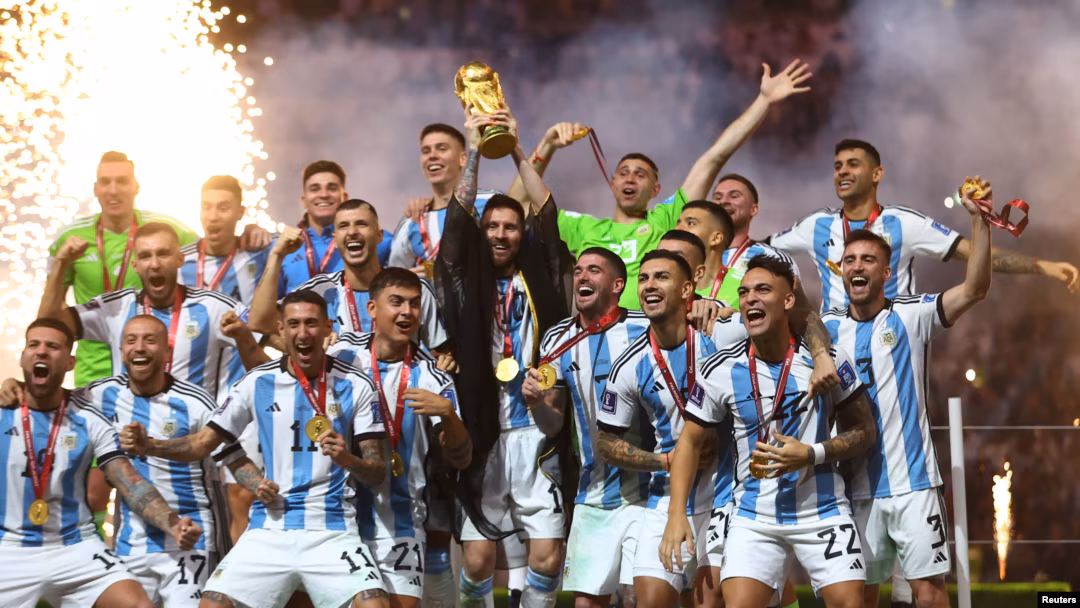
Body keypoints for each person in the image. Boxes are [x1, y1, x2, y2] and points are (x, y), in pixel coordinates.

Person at [120, 290, 391, 608]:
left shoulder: (356, 384)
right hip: (269, 527)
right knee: (212, 605)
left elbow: (377, 472)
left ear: (327, 327)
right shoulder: (256, 382)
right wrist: (150, 445)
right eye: (293, 324)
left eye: (311, 323)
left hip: (330, 528)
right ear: (281, 329)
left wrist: (347, 459)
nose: (303, 333)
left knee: (374, 606)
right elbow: (202, 444)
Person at [660, 255, 877, 608]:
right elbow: (689, 443)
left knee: (851, 604)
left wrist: (811, 454)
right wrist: (676, 514)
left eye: (763, 290)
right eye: (744, 292)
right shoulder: (719, 369)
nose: (750, 299)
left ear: (788, 300)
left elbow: (864, 431)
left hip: (821, 509)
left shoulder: (828, 359)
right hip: (754, 513)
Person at [819, 178, 995, 608]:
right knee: (857, 597)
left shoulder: (912, 314)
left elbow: (974, 290)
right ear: (841, 270)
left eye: (868, 260)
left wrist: (980, 223)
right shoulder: (826, 330)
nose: (857, 266)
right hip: (853, 488)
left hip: (913, 486)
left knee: (929, 593)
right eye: (850, 260)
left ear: (885, 272)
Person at [514, 60, 813, 308]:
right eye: (624, 172)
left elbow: (714, 158)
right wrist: (547, 146)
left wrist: (763, 101)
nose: (630, 178)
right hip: (594, 341)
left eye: (640, 174)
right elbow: (517, 207)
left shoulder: (666, 220)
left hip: (652, 338)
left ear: (656, 190)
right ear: (612, 184)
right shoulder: (583, 228)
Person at [437, 105, 570, 608]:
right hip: (483, 429)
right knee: (476, 562)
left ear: (521, 234)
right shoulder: (464, 279)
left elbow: (547, 214)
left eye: (510, 227)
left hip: (536, 427)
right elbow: (457, 222)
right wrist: (475, 149)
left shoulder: (539, 274)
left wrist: (514, 148)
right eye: (491, 226)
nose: (499, 234)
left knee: (547, 560)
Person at [0, 318, 202, 608]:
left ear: (70, 363)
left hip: (75, 547)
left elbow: (130, 482)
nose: (41, 351)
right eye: (34, 344)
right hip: (7, 548)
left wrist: (173, 524)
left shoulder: (89, 418)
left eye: (52, 346)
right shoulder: (3, 410)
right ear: (22, 357)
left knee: (139, 605)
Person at [767, 139, 1079, 312]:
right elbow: (754, 250)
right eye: (837, 166)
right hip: (836, 358)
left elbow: (975, 254)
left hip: (894, 346)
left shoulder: (904, 223)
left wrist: (1042, 266)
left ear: (877, 174)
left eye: (853, 164)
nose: (842, 172)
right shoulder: (816, 225)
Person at [79, 316, 258, 606]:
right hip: (131, 543)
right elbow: (52, 401)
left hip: (193, 538)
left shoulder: (195, 402)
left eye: (150, 340)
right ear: (121, 351)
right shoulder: (100, 394)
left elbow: (235, 459)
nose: (139, 347)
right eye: (131, 340)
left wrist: (261, 487)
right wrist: (13, 386)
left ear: (167, 352)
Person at [322, 268, 473, 608]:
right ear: (372, 308)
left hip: (401, 519)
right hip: (337, 515)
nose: (407, 312)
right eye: (397, 302)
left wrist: (448, 415)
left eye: (414, 304)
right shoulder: (340, 355)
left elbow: (462, 458)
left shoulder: (433, 376)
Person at [594, 249, 725, 608]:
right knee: (649, 601)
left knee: (710, 600)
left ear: (687, 289)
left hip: (723, 489)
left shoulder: (720, 337)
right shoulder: (629, 363)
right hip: (665, 494)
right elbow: (606, 442)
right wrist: (664, 461)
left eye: (661, 277)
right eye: (644, 278)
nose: (649, 285)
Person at [522, 247, 651, 608]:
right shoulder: (556, 338)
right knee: (586, 603)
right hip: (593, 490)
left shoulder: (646, 328)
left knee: (638, 597)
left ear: (617, 285)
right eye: (578, 270)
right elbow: (553, 425)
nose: (582, 276)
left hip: (651, 490)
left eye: (594, 270)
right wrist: (536, 404)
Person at [38, 222, 264, 403]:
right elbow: (47, 327)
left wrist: (244, 339)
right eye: (145, 256)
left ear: (180, 259)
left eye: (163, 254)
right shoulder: (115, 308)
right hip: (127, 439)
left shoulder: (214, 307)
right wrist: (61, 264)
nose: (154, 264)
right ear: (135, 265)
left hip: (192, 441)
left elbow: (267, 362)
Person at [249, 200, 449, 352]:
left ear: (379, 236)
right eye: (344, 226)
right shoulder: (317, 292)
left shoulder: (414, 290)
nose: (352, 232)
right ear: (335, 240)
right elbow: (259, 322)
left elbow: (442, 353)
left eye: (361, 224)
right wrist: (276, 256)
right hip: (336, 395)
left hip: (400, 393)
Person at [391, 123, 498, 274]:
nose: (432, 156)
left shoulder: (492, 203)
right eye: (426, 151)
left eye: (442, 149)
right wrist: (409, 279)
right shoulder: (411, 222)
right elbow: (393, 277)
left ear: (463, 159)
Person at [677, 198, 802, 310]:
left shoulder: (746, 288)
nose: (677, 229)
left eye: (691, 223)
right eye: (678, 223)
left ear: (716, 238)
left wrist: (732, 318)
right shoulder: (671, 283)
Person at [180, 175, 275, 306]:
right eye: (206, 207)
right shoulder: (178, 262)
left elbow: (294, 240)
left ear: (240, 212)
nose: (213, 217)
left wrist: (260, 230)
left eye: (223, 208)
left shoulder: (259, 252)